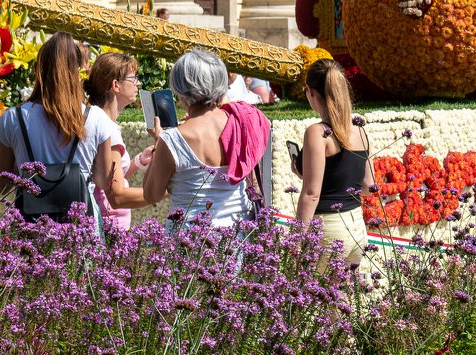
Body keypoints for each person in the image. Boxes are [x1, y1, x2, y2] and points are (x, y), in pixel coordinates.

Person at [0, 33, 143, 229]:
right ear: (76, 71)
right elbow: (102, 180)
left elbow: (2, 184)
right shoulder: (95, 118)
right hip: (82, 228)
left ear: (39, 70)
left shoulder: (13, 118)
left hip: (31, 227)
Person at [140, 49, 271, 229]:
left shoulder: (172, 139)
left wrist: (158, 142)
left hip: (190, 244)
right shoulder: (240, 124)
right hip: (238, 236)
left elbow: (151, 195)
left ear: (179, 88)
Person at [292, 57, 372, 264]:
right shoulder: (359, 130)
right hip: (356, 227)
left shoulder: (318, 133)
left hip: (328, 228)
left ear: (310, 92)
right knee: (344, 295)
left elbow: (311, 194)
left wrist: (297, 239)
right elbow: (368, 186)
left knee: (313, 293)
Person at [83, 53, 141, 233]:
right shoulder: (107, 129)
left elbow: (111, 175)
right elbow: (115, 192)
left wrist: (138, 162)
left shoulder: (97, 120)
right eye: (134, 78)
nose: (138, 83)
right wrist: (164, 190)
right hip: (110, 228)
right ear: (116, 85)